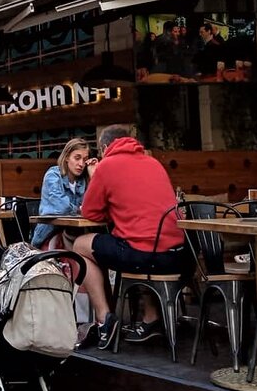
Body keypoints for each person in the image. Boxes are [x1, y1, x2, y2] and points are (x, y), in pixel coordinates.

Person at [73, 125, 190, 349]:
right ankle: (150, 319)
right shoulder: (153, 162)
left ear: (105, 147)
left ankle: (104, 319)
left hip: (145, 256)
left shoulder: (107, 165)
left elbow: (89, 212)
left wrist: (94, 175)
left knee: (80, 245)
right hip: (179, 255)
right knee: (138, 240)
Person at [31, 138, 94, 248]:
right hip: (49, 234)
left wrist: (93, 175)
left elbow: (94, 206)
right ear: (66, 157)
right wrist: (80, 209)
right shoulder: (53, 175)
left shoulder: (82, 180)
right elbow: (62, 207)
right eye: (77, 158)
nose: (81, 164)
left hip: (76, 233)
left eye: (85, 160)